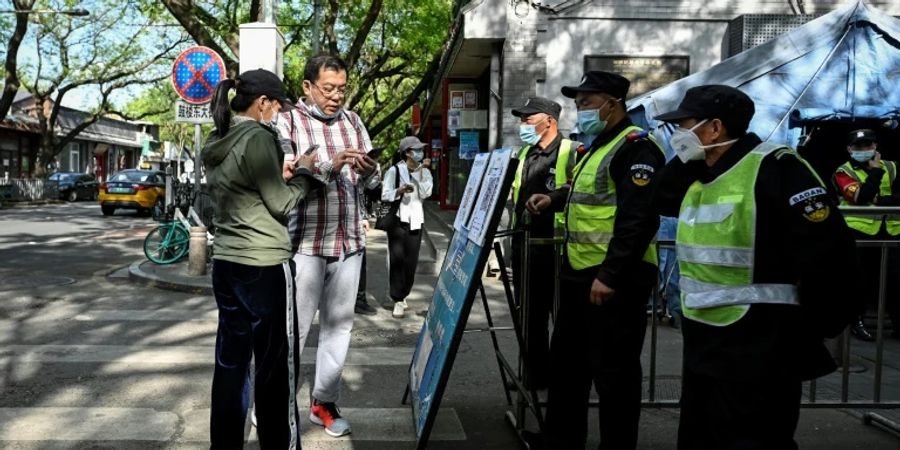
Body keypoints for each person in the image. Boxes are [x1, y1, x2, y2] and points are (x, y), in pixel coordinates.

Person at [652, 85, 858, 450]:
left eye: (683, 126)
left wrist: (821, 324)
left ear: (714, 128)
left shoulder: (778, 168)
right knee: (701, 436)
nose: (677, 136)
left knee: (754, 440)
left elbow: (829, 251)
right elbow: (660, 196)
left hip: (762, 344)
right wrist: (687, 157)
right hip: (706, 340)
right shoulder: (701, 172)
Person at [525, 71, 664, 449]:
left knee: (614, 374)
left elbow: (639, 219)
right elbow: (582, 189)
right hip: (578, 273)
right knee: (567, 365)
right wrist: (551, 199)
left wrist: (611, 274)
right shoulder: (598, 145)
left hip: (613, 281)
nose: (580, 109)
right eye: (577, 102)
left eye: (587, 101)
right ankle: (560, 439)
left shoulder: (636, 148)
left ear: (612, 103)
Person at [203, 69, 319, 449]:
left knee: (231, 364)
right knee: (274, 368)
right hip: (264, 265)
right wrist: (305, 174)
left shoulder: (218, 137)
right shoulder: (258, 137)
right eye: (277, 106)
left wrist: (279, 174)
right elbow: (281, 203)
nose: (279, 113)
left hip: (226, 262)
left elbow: (248, 188)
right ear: (262, 103)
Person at [277, 54, 379, 438]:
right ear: (307, 87)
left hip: (349, 240)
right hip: (304, 242)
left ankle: (324, 401)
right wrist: (329, 167)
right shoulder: (287, 122)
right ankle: (275, 401)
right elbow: (285, 177)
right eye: (328, 89)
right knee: (292, 330)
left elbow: (371, 183)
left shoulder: (353, 122)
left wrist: (371, 172)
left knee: (339, 327)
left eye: (341, 89)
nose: (336, 96)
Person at [509, 96, 580, 389]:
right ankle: (534, 374)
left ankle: (562, 380)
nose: (523, 124)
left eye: (528, 118)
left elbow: (576, 191)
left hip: (557, 247)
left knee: (562, 319)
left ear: (548, 120)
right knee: (529, 315)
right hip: (525, 246)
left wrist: (552, 200)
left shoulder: (572, 151)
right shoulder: (526, 153)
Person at [832, 128, 900, 340]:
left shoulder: (894, 167)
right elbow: (861, 197)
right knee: (859, 281)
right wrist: (875, 172)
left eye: (868, 145)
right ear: (849, 149)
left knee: (896, 282)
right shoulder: (843, 172)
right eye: (859, 146)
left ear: (876, 146)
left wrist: (881, 201)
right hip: (858, 234)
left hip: (892, 233)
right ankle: (856, 323)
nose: (864, 149)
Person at [381, 136, 433, 319]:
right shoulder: (394, 171)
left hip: (416, 220)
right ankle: (398, 299)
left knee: (411, 261)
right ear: (407, 153)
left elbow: (427, 193)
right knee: (397, 259)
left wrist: (418, 176)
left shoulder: (424, 172)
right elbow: (385, 195)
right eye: (416, 150)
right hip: (397, 220)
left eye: (421, 150)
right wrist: (399, 191)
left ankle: (404, 292)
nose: (420, 153)